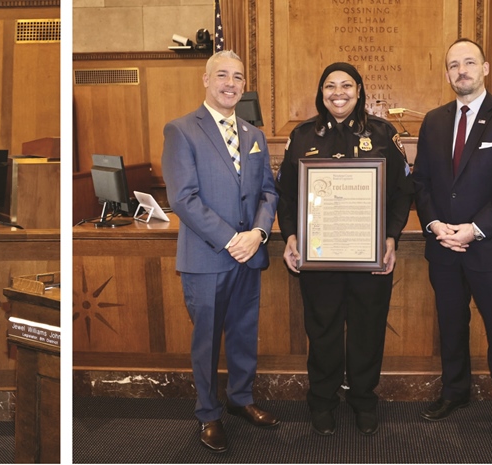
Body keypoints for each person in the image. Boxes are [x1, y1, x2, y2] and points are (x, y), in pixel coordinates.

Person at [276, 62, 413, 436]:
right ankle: (322, 401)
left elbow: (403, 194)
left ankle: (364, 400)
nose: (338, 93)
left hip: (370, 255)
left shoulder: (383, 133)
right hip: (319, 257)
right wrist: (290, 236)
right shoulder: (302, 135)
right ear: (321, 93)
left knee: (368, 330)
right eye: (330, 87)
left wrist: (391, 238)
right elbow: (286, 195)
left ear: (359, 90)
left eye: (346, 86)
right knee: (323, 331)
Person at [411, 38, 492, 446]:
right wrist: (434, 224)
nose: (460, 70)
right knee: (451, 324)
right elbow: (423, 183)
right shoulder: (433, 120)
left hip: (490, 246)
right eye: (452, 65)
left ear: (484, 68)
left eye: (468, 62)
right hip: (444, 247)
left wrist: (474, 228)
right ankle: (455, 392)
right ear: (447, 73)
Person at [161, 50, 280, 454]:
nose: (231, 83)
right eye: (223, 75)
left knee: (245, 334)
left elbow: (268, 191)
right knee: (207, 341)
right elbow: (184, 198)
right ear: (206, 79)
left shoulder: (254, 135)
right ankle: (209, 414)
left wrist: (259, 233)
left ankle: (241, 398)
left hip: (250, 255)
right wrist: (234, 239)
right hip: (208, 257)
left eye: (239, 77)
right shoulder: (181, 130)